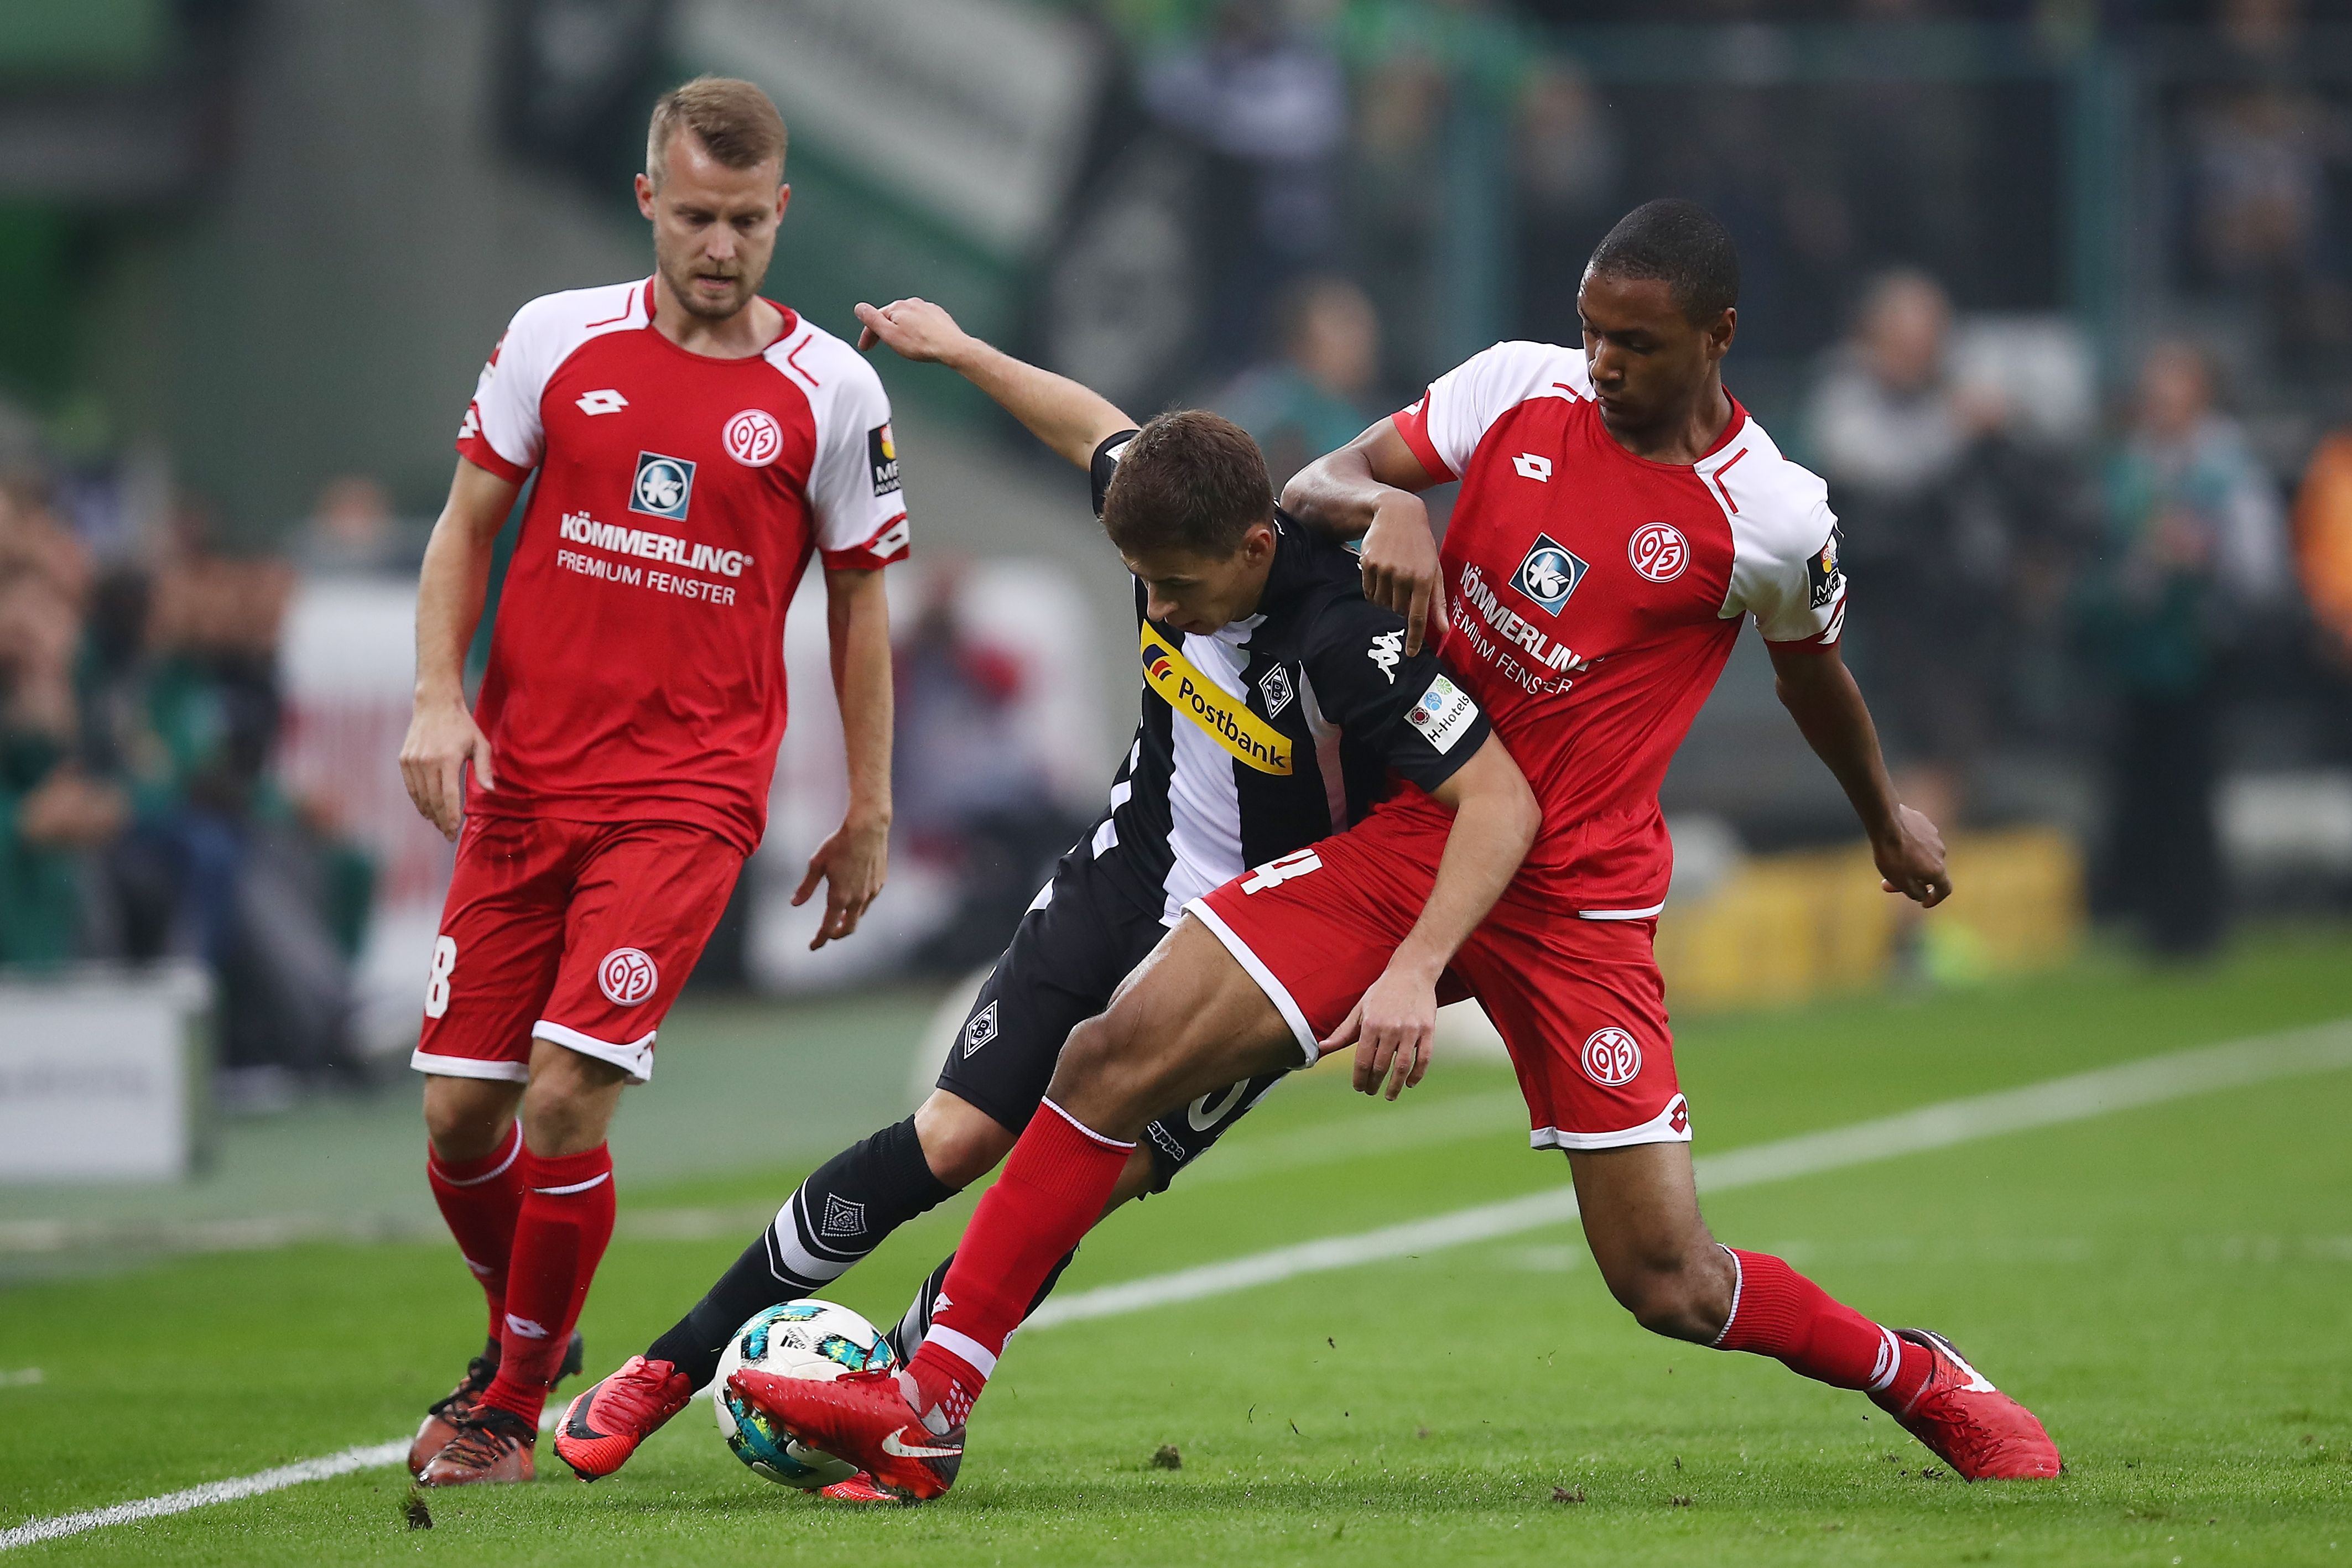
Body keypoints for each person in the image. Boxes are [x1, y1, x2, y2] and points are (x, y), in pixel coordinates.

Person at [732, 200, 2062, 1500]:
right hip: (1417, 833)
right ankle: (928, 1406)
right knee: (1111, 1055)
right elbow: (1318, 482)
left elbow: (1812, 677)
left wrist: (1881, 815)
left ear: (1718, 335)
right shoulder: (1509, 392)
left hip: (1573, 903)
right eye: (1591, 329)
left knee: (1666, 1280)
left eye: (1636, 344)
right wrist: (1397, 507)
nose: (1600, 361)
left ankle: (1912, 1373)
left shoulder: (1767, 516)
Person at [549, 297, 1537, 1499]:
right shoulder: (1170, 501)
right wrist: (962, 354)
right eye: (1139, 584)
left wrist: (1410, 966)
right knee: (951, 1135)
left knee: (1082, 1164)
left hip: (1263, 937)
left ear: (1254, 547)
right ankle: (670, 1365)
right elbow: (1093, 431)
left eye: (1175, 588)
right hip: (1122, 873)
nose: (1157, 611)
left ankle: (911, 1399)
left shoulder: (1349, 633)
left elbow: (1491, 795)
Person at [394, 76, 907, 1486]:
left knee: (564, 1101)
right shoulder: (554, 340)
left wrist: (867, 805)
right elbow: (467, 524)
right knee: (458, 1121)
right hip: (523, 786)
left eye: (748, 220)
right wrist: (440, 696)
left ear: (782, 211)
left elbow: (863, 608)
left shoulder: (830, 393)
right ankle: (536, 1329)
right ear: (647, 202)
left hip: (686, 798)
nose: (722, 245)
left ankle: (503, 1407)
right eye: (696, 216)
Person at [2078, 340, 2290, 957]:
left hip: (2200, 649)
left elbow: (2260, 569)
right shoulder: (2128, 467)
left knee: (2191, 783)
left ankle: (2197, 916)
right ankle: (2147, 912)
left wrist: (2204, 555)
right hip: (2135, 650)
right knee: (2138, 784)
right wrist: (2135, 572)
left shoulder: (2226, 468)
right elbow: (2098, 555)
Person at [1215, 274, 1383, 493]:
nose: (1360, 341)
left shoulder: (1355, 416)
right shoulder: (1272, 405)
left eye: (1364, 326)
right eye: (1344, 327)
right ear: (1300, 341)